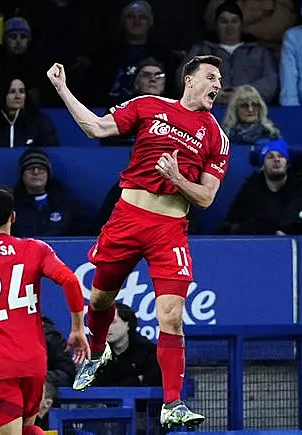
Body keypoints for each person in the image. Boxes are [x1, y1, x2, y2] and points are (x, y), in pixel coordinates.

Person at [46, 54, 230, 428]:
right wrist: (61, 87)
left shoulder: (216, 136)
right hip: (128, 217)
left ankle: (172, 403)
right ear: (189, 80)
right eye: (211, 77)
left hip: (170, 229)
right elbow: (96, 129)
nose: (217, 85)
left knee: (172, 317)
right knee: (99, 299)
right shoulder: (149, 106)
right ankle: (97, 353)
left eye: (221, 80)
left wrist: (178, 179)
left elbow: (207, 197)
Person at [0, 186, 91, 435]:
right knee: (27, 430)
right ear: (13, 216)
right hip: (33, 365)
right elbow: (71, 282)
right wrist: (77, 329)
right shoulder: (36, 249)